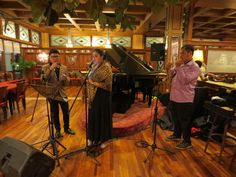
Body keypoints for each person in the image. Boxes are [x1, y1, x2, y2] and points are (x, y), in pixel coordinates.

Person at [166, 44, 199, 150]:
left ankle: (187, 141)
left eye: (182, 53)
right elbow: (171, 76)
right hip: (175, 96)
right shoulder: (182, 65)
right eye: (180, 53)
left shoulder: (194, 67)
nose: (180, 55)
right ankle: (176, 134)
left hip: (185, 98)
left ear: (190, 53)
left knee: (185, 121)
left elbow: (185, 80)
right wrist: (168, 70)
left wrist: (178, 67)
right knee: (176, 118)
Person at [41, 49, 75, 138]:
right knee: (55, 113)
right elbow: (43, 79)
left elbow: (67, 83)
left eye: (57, 56)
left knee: (66, 112)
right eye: (53, 56)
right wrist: (51, 69)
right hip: (52, 94)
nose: (55, 58)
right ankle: (57, 131)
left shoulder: (64, 68)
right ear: (49, 57)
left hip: (62, 93)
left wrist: (66, 79)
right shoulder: (45, 67)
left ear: (59, 57)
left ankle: (67, 128)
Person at [87, 49, 113, 148]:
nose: (93, 58)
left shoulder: (106, 67)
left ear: (102, 56)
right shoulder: (93, 66)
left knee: (102, 117)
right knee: (93, 116)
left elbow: (106, 84)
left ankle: (104, 139)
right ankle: (92, 137)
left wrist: (92, 82)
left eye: (96, 56)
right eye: (93, 56)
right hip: (93, 95)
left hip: (103, 95)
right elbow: (90, 78)